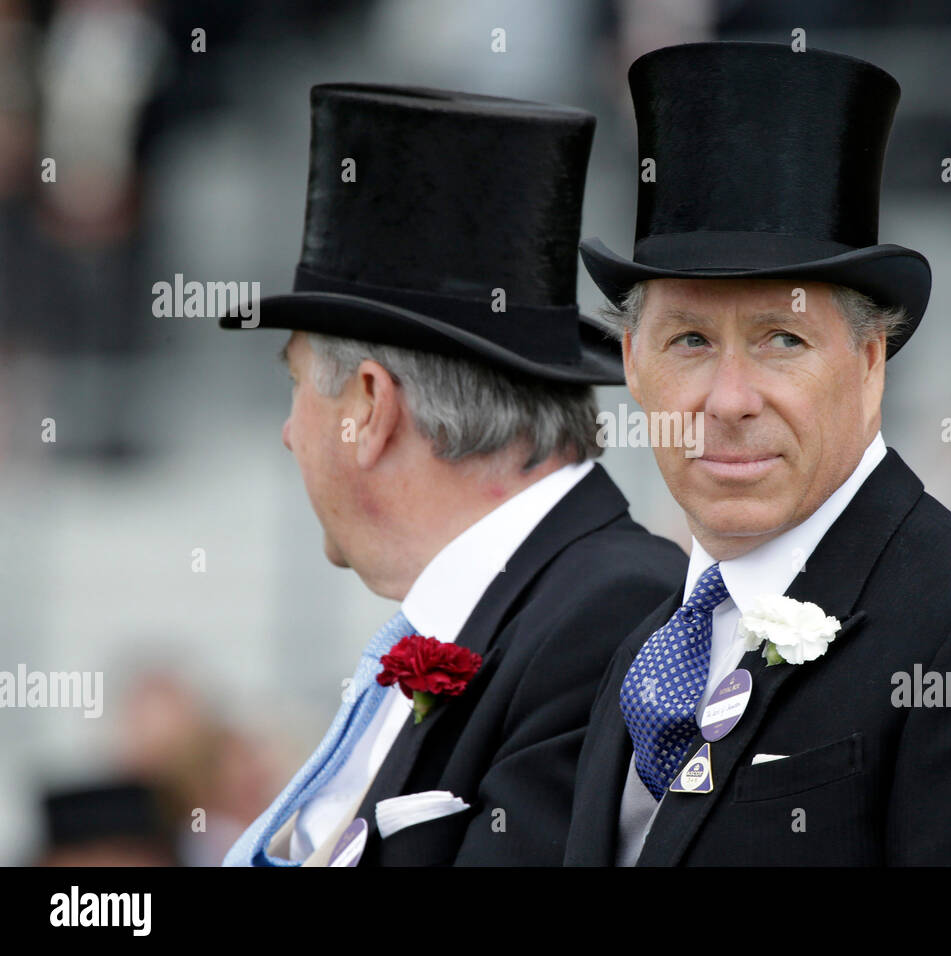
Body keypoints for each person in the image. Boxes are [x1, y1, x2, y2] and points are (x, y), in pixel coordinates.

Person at [564, 42, 951, 866]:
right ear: (631, 367)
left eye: (781, 340)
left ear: (870, 365)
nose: (728, 399)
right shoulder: (649, 647)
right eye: (688, 340)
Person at [218, 84, 685, 866]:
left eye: (296, 385)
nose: (290, 433)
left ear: (368, 406)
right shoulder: (540, 604)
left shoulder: (610, 614)